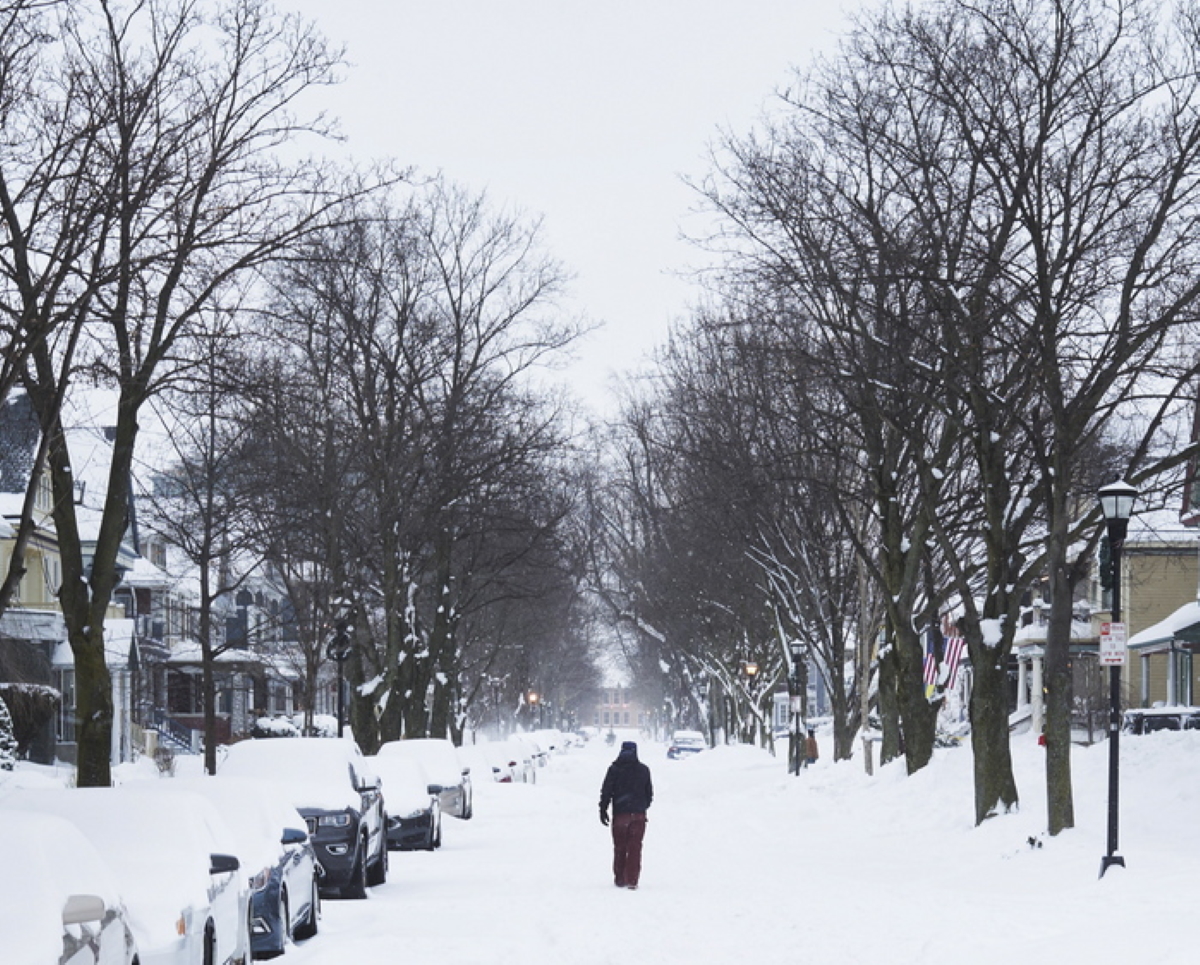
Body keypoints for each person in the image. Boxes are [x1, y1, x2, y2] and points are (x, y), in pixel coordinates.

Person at [599, 740, 653, 889]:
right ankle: (632, 880)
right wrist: (641, 806)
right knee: (635, 847)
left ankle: (620, 878)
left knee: (620, 847)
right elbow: (649, 794)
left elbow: (606, 791)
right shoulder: (643, 770)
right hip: (638, 816)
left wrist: (603, 809)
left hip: (620, 815)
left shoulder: (614, 770)